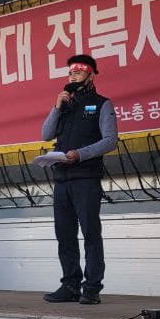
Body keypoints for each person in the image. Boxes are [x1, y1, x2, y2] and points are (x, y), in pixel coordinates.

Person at [41, 54, 119, 305]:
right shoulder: (65, 106)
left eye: (78, 72)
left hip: (86, 178)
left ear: (91, 74)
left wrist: (80, 154)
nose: (73, 76)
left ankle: (92, 287)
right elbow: (46, 134)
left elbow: (110, 141)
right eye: (70, 73)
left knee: (90, 233)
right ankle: (70, 284)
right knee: (64, 234)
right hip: (62, 179)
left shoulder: (102, 104)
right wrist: (57, 107)